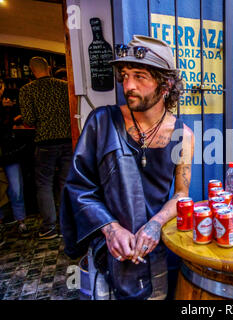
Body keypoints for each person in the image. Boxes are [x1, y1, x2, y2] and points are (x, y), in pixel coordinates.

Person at [60, 35, 194, 300]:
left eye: (140, 76)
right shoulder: (102, 122)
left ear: (165, 84)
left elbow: (181, 194)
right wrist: (111, 228)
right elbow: (78, 187)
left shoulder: (184, 135)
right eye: (125, 75)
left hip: (151, 250)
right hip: (106, 249)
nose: (128, 85)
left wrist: (154, 225)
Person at [19, 57, 73, 240]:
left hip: (45, 143)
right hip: (68, 140)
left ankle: (49, 227)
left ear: (32, 70)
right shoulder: (65, 86)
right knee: (65, 182)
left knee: (44, 184)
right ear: (48, 68)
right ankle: (68, 224)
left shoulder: (27, 90)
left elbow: (28, 120)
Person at [0, 83, 30, 245]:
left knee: (16, 188)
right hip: (8, 152)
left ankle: (21, 221)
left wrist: (9, 113)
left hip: (9, 152)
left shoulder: (10, 106)